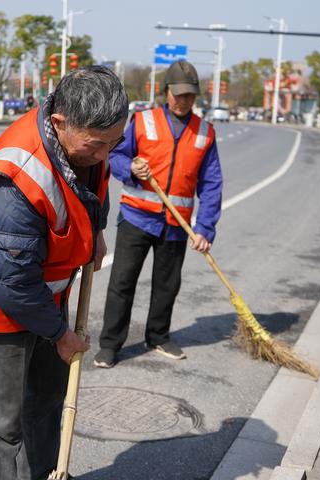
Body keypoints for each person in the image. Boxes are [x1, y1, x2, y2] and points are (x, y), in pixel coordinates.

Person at [0, 66, 128, 480]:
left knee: (47, 400)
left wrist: (97, 233)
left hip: (50, 294)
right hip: (3, 305)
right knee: (1, 424)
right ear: (59, 123)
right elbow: (11, 284)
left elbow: (94, 187)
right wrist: (61, 336)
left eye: (115, 143)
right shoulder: (14, 179)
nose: (106, 154)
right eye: (97, 144)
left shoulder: (87, 144)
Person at [94, 60, 224, 368]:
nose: (183, 101)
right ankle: (110, 344)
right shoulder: (143, 121)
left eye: (189, 96)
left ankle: (159, 336)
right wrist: (132, 169)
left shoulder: (205, 133)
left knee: (168, 285)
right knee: (122, 282)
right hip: (137, 217)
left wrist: (205, 227)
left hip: (176, 225)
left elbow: (212, 182)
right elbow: (115, 155)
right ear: (166, 92)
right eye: (178, 94)